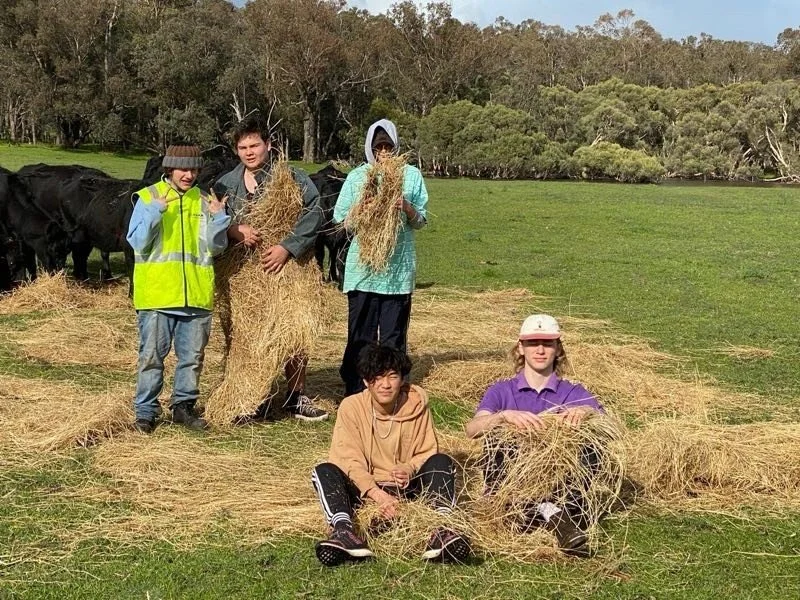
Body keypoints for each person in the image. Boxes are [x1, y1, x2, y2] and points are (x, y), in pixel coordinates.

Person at [311, 344, 470, 567]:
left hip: (407, 490)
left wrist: (408, 467)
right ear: (366, 381)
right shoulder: (351, 407)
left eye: (392, 376)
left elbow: (427, 451)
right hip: (367, 491)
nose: (385, 385)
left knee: (442, 462)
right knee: (324, 470)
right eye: (377, 378)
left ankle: (441, 528)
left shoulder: (417, 405)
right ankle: (344, 531)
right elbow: (348, 459)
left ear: (402, 379)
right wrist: (377, 495)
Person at [215, 117, 328, 422]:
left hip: (290, 268)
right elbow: (213, 222)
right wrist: (234, 230)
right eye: (242, 147)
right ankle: (254, 398)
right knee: (246, 335)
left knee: (295, 331)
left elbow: (315, 211)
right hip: (242, 272)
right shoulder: (225, 183)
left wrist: (287, 247)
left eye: (254, 145)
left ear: (268, 145)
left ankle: (295, 397)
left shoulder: (291, 178)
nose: (249, 152)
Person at [464, 314, 604, 556]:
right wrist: (503, 416)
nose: (540, 350)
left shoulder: (572, 391)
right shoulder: (501, 390)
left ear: (558, 348)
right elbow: (472, 429)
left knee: (594, 445)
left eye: (547, 344)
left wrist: (585, 411)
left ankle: (553, 510)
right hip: (511, 490)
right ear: (521, 347)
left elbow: (605, 421)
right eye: (533, 343)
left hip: (561, 487)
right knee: (497, 438)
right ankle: (552, 515)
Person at [127, 143, 231, 434]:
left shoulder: (204, 200)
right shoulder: (148, 198)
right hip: (158, 295)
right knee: (151, 358)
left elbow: (216, 249)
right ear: (169, 169)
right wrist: (155, 212)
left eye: (194, 169)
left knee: (193, 358)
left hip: (196, 296)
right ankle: (145, 412)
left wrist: (218, 220)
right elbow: (137, 243)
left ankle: (183, 407)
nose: (189, 174)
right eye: (184, 169)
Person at [333, 119, 428, 397]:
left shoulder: (410, 176)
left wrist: (407, 207)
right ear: (370, 149)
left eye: (388, 146)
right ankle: (355, 388)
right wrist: (360, 208)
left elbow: (421, 221)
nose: (383, 152)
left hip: (397, 271)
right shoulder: (357, 177)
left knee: (393, 336)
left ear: (396, 146)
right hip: (363, 270)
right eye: (378, 147)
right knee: (360, 335)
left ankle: (392, 388)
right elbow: (340, 220)